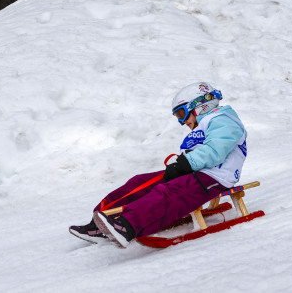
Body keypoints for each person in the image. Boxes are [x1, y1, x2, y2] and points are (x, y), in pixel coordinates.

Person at [69, 82, 247, 248]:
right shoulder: (205, 123)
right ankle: (101, 220)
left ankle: (128, 225)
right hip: (193, 171)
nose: (182, 121)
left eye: (182, 114)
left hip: (214, 177)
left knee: (169, 193)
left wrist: (185, 163)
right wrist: (181, 165)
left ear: (200, 105)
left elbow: (216, 150)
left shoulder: (224, 120)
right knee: (140, 182)